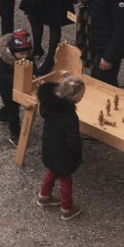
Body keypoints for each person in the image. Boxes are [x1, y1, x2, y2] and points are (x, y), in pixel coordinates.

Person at [36, 74, 86, 220]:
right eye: (82, 94)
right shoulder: (70, 117)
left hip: (50, 148)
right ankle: (67, 208)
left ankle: (44, 196)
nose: (82, 97)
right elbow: (73, 141)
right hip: (64, 154)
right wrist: (77, 151)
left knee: (52, 171)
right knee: (65, 180)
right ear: (74, 96)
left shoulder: (48, 105)